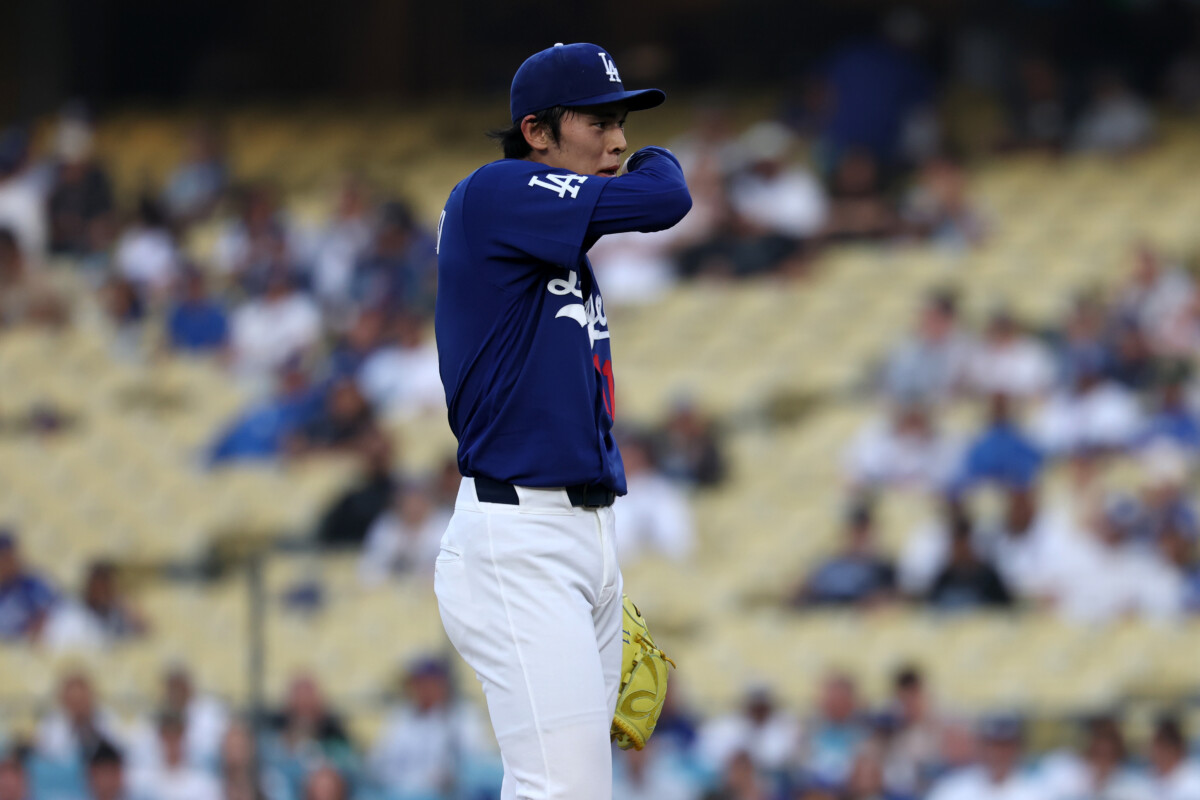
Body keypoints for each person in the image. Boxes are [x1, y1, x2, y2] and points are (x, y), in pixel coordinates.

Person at [431, 42, 691, 800]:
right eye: (600, 120)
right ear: (537, 131)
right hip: (522, 539)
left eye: (624, 122)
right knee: (563, 791)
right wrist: (660, 155)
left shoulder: (551, 240)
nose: (618, 139)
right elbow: (665, 196)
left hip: (583, 535)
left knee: (563, 788)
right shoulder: (497, 193)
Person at [367, 656, 491, 798]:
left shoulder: (462, 716)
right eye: (418, 683)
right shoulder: (399, 717)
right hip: (399, 791)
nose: (423, 689)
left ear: (443, 684)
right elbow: (377, 762)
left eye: (429, 682)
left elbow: (477, 762)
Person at [0, 529, 58, 642]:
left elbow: (53, 611)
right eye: (4, 559)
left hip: (29, 645)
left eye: (10, 557)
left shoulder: (32, 585)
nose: (9, 563)